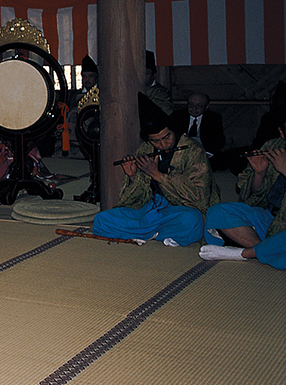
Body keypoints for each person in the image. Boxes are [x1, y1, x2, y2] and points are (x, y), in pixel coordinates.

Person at [93, 92, 219, 245]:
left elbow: (200, 196)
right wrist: (133, 176)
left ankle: (146, 232)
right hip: (150, 210)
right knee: (101, 220)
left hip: (178, 210)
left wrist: (158, 175)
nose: (163, 145)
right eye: (155, 141)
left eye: (167, 137)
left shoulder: (193, 150)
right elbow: (136, 200)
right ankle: (157, 233)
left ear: (174, 131)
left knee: (193, 221)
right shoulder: (146, 149)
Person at [199, 116, 286, 269]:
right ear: (282, 132)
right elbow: (257, 198)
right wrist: (259, 173)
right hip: (269, 219)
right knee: (218, 212)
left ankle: (243, 254)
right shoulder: (274, 147)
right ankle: (264, 250)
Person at [171, 92, 226, 166]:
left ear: (206, 107)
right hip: (182, 151)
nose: (194, 108)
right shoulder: (178, 116)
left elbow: (219, 140)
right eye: (191, 105)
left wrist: (208, 153)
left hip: (204, 151)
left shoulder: (214, 118)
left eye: (199, 106)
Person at [144, 50, 173, 115]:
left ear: (154, 75)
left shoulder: (161, 93)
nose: (143, 76)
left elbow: (165, 111)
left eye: (146, 73)